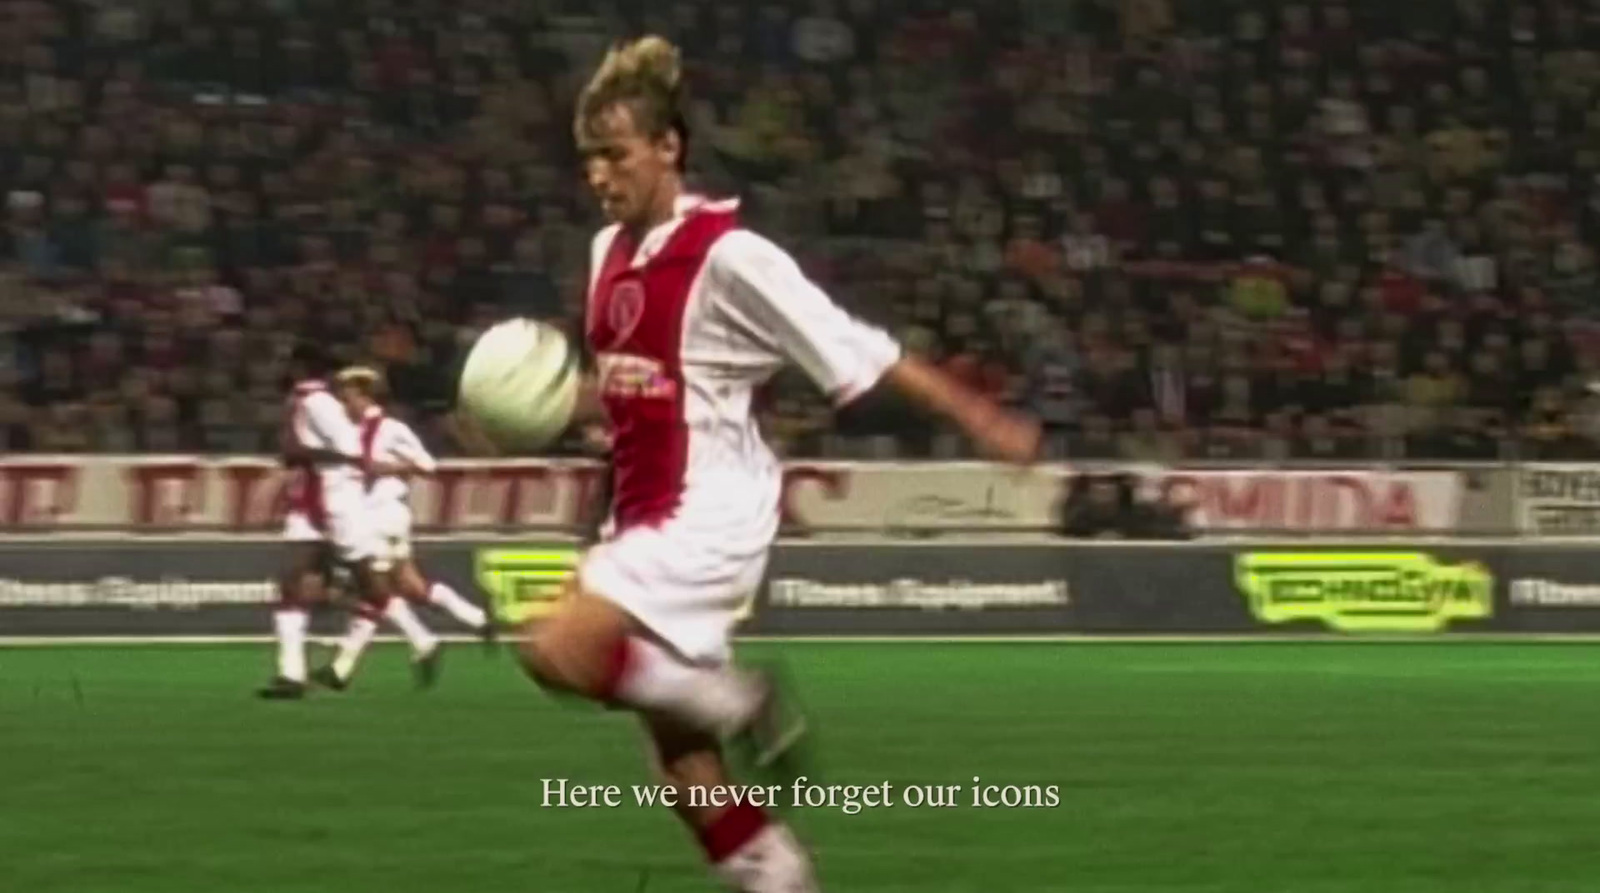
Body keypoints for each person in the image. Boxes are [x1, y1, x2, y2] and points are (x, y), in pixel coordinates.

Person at [511, 36, 1040, 893]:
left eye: (615, 155)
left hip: (707, 510)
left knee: (552, 645)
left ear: (668, 147)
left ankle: (739, 699)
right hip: (640, 509)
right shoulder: (605, 252)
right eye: (588, 161)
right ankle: (780, 877)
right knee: (684, 765)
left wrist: (980, 415)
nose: (599, 177)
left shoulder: (730, 255)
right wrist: (539, 405)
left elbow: (856, 346)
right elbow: (634, 383)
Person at [258, 345, 434, 699]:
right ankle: (291, 674)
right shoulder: (305, 399)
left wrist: (302, 456)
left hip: (335, 501)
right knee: (294, 583)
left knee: (368, 583)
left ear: (299, 367)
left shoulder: (318, 402)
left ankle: (422, 639)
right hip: (313, 501)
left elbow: (350, 449)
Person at [312, 366, 495, 692]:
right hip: (371, 516)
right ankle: (476, 619)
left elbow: (427, 465)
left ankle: (362, 661)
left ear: (365, 396)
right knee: (410, 587)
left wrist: (388, 467)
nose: (344, 404)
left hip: (383, 515)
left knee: (373, 590)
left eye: (349, 396)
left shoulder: (392, 429)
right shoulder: (349, 432)